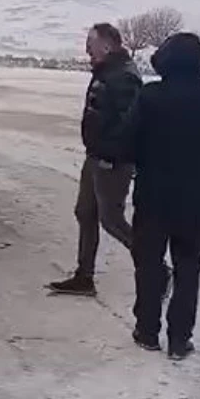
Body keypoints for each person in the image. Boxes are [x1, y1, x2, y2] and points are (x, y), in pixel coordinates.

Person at [117, 32, 200, 360]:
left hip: (153, 191)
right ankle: (179, 339)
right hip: (196, 193)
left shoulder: (150, 96)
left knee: (148, 263)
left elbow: (125, 141)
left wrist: (145, 158)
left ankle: (147, 330)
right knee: (189, 267)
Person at [47, 23, 145, 297]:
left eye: (90, 44)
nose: (86, 50)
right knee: (85, 212)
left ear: (106, 45)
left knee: (111, 220)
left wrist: (113, 156)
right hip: (96, 157)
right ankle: (84, 276)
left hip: (112, 162)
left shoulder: (124, 77)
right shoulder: (107, 71)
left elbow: (131, 124)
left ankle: (157, 268)